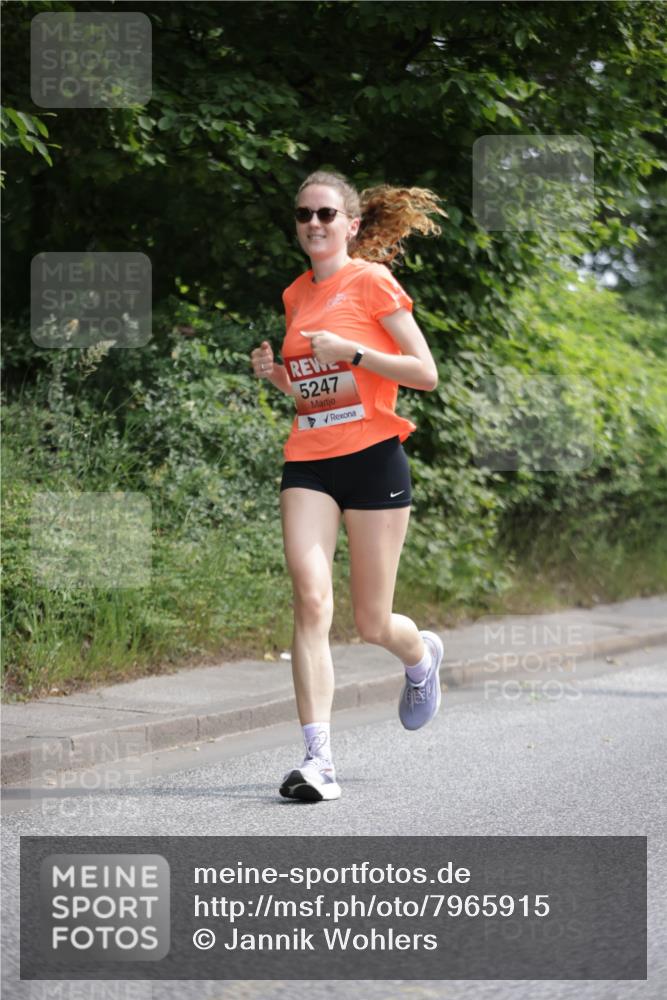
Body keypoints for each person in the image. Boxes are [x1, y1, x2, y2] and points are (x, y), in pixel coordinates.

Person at [250, 170, 446, 803]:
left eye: (326, 214)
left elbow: (424, 372)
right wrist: (277, 376)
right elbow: (317, 392)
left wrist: (354, 352)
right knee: (310, 601)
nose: (313, 223)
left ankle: (419, 657)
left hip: (373, 460)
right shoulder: (295, 294)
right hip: (309, 461)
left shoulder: (373, 282)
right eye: (304, 213)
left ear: (351, 225)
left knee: (371, 622)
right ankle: (319, 762)